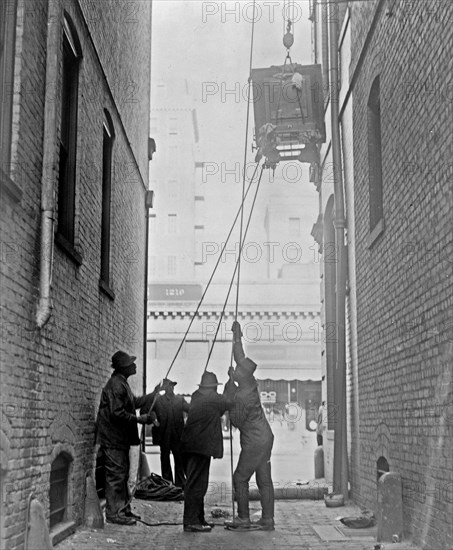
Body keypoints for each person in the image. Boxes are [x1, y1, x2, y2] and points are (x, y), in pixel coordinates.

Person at [95, 350, 157, 525]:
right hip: (113, 439)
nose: (135, 365)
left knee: (121, 475)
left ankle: (123, 509)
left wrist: (155, 393)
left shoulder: (122, 383)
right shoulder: (116, 384)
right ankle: (114, 513)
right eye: (131, 363)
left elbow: (134, 403)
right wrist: (139, 419)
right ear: (124, 367)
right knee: (116, 475)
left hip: (119, 439)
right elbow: (116, 413)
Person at [224, 321, 275, 531]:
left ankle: (243, 518)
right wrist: (237, 336)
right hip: (266, 438)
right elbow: (240, 357)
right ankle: (268, 519)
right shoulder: (250, 383)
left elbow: (235, 421)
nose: (235, 370)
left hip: (254, 442)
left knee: (240, 478)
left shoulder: (243, 396)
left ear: (242, 376)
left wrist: (228, 392)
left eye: (237, 371)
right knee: (264, 478)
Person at [180, 371, 231, 533]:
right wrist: (231, 379)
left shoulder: (197, 396)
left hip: (192, 445)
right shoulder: (213, 398)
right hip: (198, 447)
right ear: (213, 387)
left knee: (198, 483)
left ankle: (198, 518)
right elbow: (228, 402)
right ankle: (190, 521)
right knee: (196, 484)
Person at [153, 378, 189, 488]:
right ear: (165, 388)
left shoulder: (179, 399)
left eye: (172, 385)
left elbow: (190, 409)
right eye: (169, 386)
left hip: (177, 435)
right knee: (165, 459)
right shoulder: (158, 400)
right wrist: (154, 420)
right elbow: (150, 410)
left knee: (179, 459)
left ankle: (180, 484)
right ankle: (167, 483)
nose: (171, 387)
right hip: (164, 435)